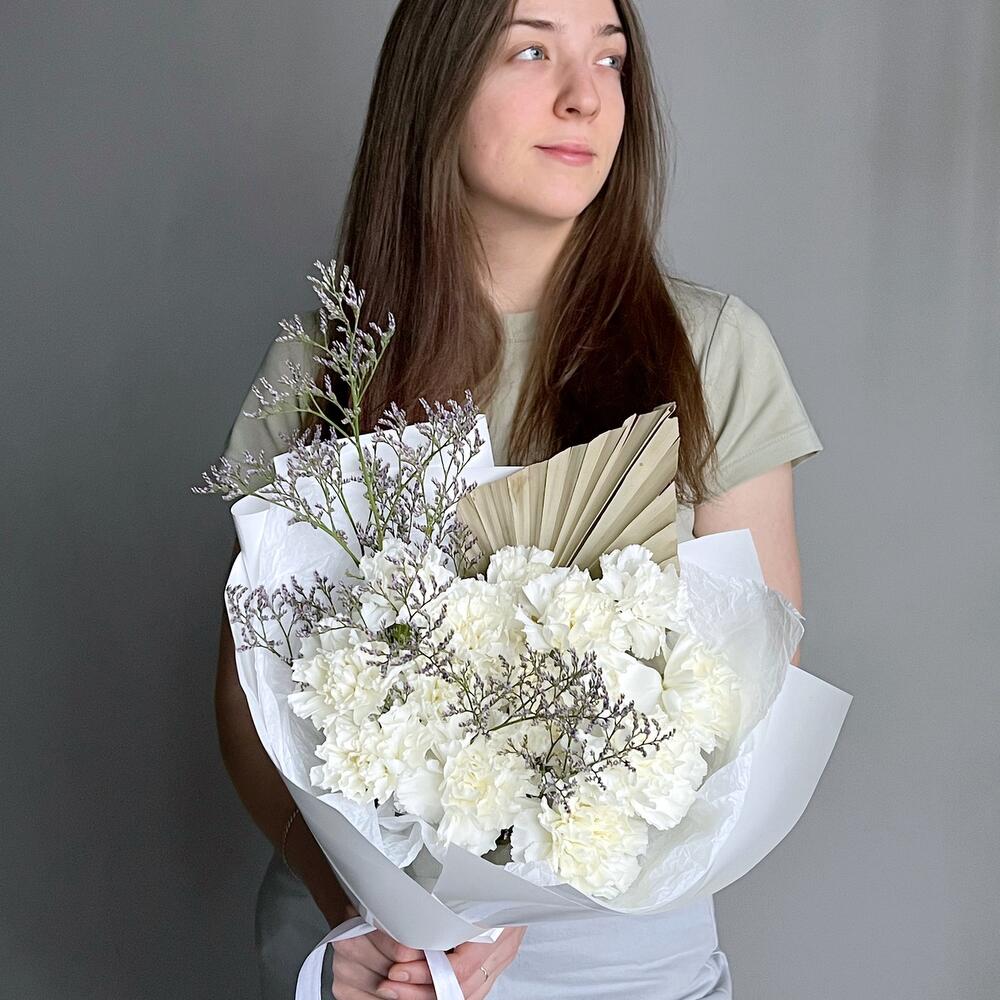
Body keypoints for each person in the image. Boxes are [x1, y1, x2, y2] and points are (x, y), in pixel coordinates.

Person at [214, 1, 824, 997]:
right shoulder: (325, 363)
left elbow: (756, 694)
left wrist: (522, 895)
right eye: (532, 51)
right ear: (436, 85)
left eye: (610, 59)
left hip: (617, 963)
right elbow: (249, 697)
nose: (585, 98)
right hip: (369, 955)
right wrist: (364, 919)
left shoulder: (711, 348)